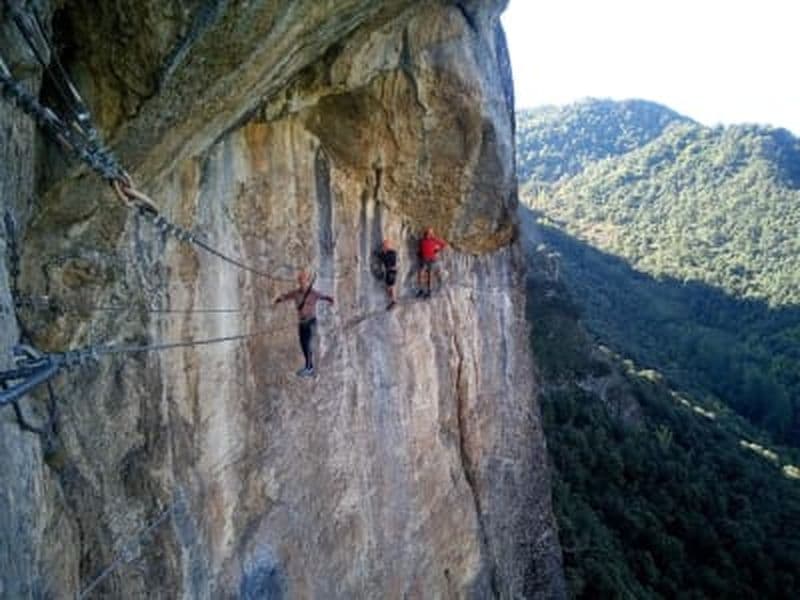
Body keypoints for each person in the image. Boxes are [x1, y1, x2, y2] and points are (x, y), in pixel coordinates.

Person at [274, 270, 334, 377]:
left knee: (308, 343)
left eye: (303, 280)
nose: (301, 282)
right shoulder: (296, 293)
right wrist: (279, 300)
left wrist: (330, 299)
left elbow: (324, 297)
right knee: (303, 344)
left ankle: (310, 368)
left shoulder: (313, 293)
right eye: (300, 280)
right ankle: (308, 367)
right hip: (302, 322)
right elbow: (286, 296)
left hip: (311, 321)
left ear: (307, 281)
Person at [417, 227, 447, 298]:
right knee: (420, 273)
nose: (428, 234)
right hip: (424, 259)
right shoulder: (422, 240)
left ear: (432, 234)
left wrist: (437, 250)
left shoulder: (434, 240)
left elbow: (444, 245)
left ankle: (429, 291)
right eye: (427, 233)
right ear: (425, 233)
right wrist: (419, 254)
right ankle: (421, 290)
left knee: (430, 275)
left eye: (430, 233)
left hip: (432, 259)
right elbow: (420, 248)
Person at [377, 239, 398, 310]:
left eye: (385, 245)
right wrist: (380, 254)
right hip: (389, 271)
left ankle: (393, 301)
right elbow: (380, 257)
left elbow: (387, 259)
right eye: (383, 245)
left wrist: (383, 253)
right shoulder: (385, 253)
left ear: (388, 245)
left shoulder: (392, 252)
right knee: (388, 287)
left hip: (392, 271)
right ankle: (392, 301)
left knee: (391, 286)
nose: (384, 246)